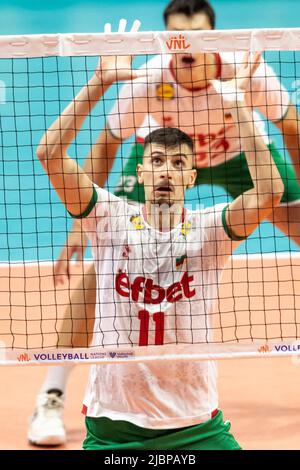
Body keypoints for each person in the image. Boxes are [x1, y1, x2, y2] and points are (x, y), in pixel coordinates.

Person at [29, 0, 300, 445]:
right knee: (105, 265)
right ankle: (52, 393)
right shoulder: (150, 79)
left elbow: (291, 129)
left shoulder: (247, 74)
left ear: (214, 38)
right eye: (177, 38)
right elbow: (106, 142)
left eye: (195, 37)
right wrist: (82, 226)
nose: (185, 47)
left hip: (238, 156)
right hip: (165, 162)